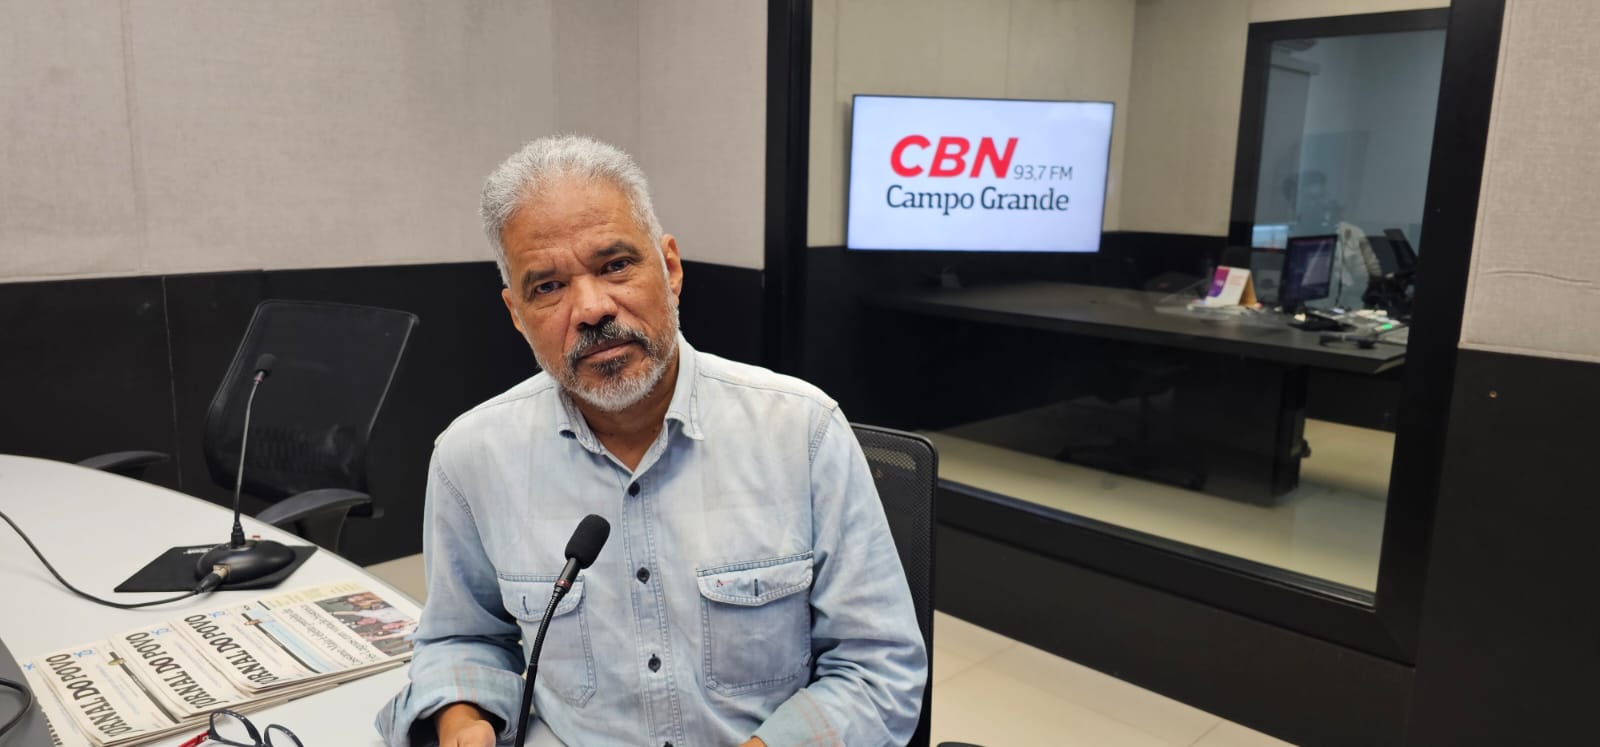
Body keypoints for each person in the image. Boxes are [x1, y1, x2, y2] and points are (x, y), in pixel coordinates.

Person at [375, 135, 927, 746]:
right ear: (515, 312)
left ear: (669, 267)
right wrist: (462, 720)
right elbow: (464, 636)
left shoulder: (802, 430)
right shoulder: (470, 458)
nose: (590, 308)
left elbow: (880, 667)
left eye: (615, 265)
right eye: (548, 287)